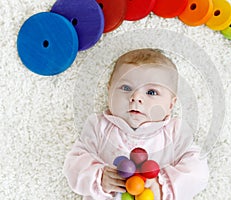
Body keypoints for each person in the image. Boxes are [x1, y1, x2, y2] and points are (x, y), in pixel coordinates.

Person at [63, 49, 209, 200]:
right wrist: (99, 178)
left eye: (151, 92)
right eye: (126, 88)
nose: (136, 97)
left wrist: (163, 186)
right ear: (109, 92)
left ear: (171, 105)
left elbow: (197, 170)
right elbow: (73, 164)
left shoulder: (174, 131)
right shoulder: (99, 126)